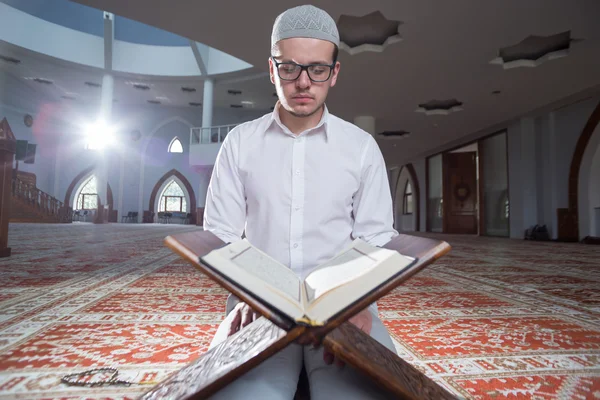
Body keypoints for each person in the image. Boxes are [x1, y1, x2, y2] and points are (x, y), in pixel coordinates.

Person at [203, 4, 399, 399]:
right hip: (257, 304)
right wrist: (245, 297)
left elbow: (376, 239)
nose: (304, 82)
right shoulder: (240, 143)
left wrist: (360, 305)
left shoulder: (360, 148)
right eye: (290, 68)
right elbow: (220, 235)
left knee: (373, 392)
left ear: (334, 73)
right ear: (273, 69)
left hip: (345, 305)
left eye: (317, 69)